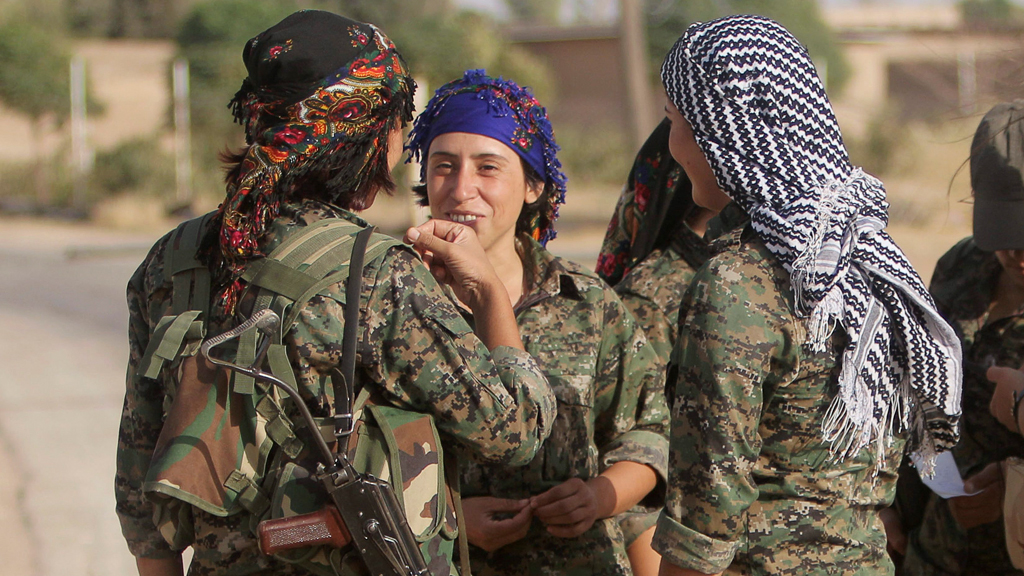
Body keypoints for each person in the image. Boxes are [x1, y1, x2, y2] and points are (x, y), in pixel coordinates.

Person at [115, 13, 555, 576]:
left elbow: (139, 478)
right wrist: (490, 294)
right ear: (369, 132)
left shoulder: (171, 260)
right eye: (398, 120)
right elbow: (513, 430)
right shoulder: (372, 272)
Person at [652, 15, 963, 576]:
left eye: (675, 122)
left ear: (720, 129)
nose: (672, 148)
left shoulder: (735, 283)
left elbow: (706, 515)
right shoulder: (871, 262)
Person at [405, 69, 669, 576]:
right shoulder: (392, 300)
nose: (462, 189)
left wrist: (597, 498)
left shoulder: (587, 304)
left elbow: (649, 431)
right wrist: (446, 517)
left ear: (532, 185)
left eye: (487, 168)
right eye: (443, 166)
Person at [896, 100, 1024, 576]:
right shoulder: (960, 268)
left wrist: (1011, 491)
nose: (1014, 251)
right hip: (937, 551)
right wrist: (895, 510)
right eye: (1003, 229)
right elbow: (917, 398)